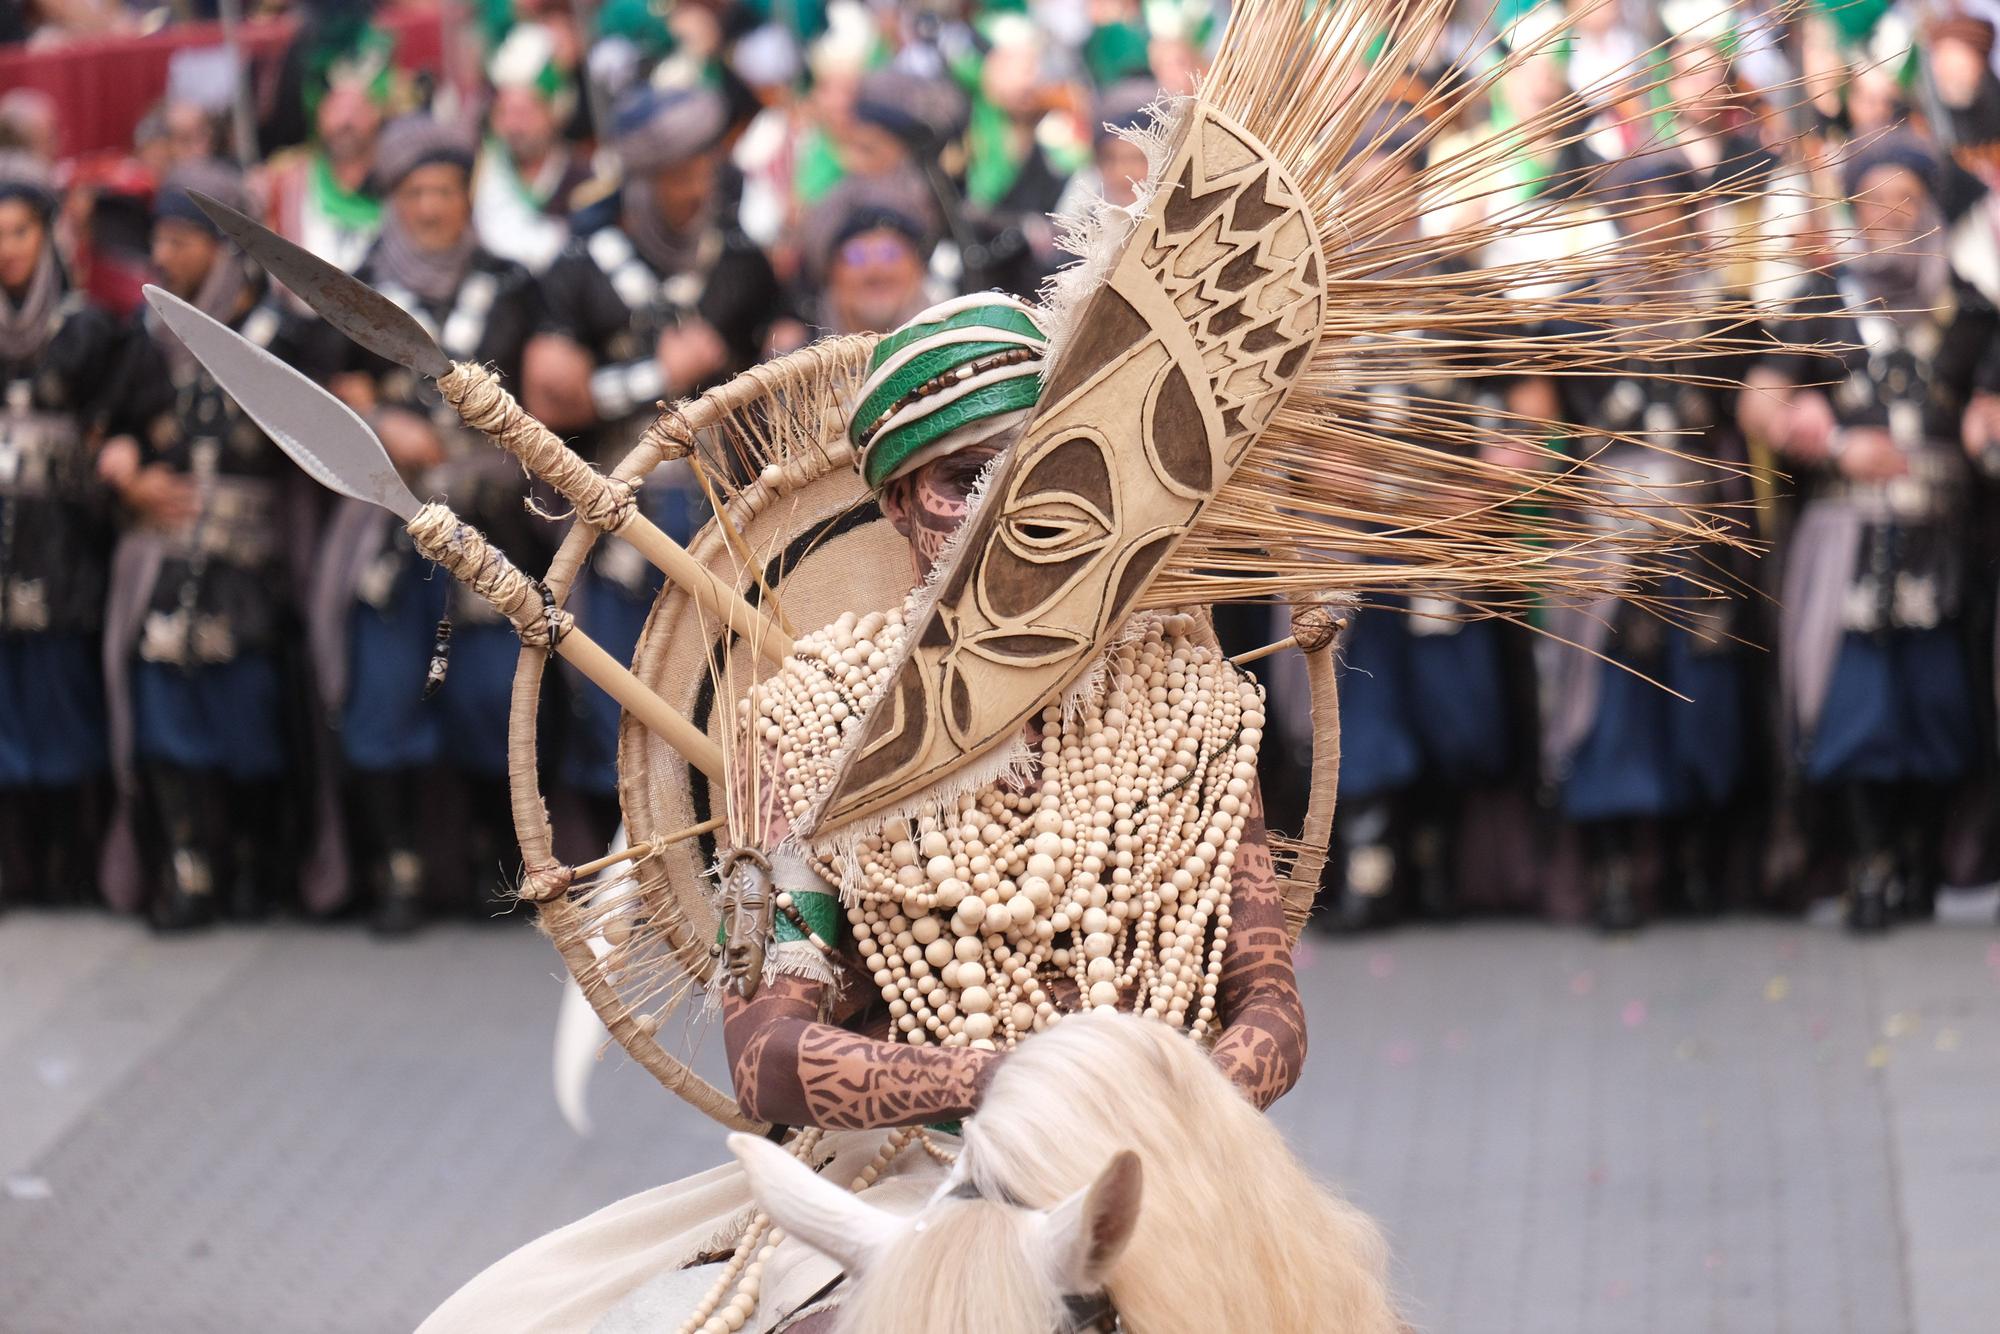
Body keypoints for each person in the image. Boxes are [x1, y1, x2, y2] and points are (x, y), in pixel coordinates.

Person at [418, 295, 1309, 1334]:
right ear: (894, 506)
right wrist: (1014, 1088)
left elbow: (1271, 1005)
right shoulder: (803, 731)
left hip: (1166, 1171)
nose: (995, 506)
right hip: (915, 1181)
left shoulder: (1184, 700)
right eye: (956, 480)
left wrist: (1166, 1099)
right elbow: (764, 1053)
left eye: (1024, 464)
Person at [522, 83, 790, 845]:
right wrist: (655, 374)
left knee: (732, 692)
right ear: (644, 178)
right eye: (676, 173)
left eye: (701, 167)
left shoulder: (741, 262)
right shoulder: (583, 266)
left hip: (728, 510)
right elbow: (550, 394)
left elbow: (789, 362)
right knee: (623, 698)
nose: (694, 186)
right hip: (620, 514)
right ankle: (638, 852)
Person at [1740, 137, 1991, 931]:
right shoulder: (1819, 300)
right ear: (1854, 211)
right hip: (1846, 538)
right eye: (1876, 202)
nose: (1893, 216)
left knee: (1938, 706)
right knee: (1855, 706)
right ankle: (1868, 859)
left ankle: (1918, 856)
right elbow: (1759, 402)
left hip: (1941, 540)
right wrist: (1826, 438)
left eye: (1907, 200)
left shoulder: (1973, 308)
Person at [312, 116, 548, 933]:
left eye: (443, 190)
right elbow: (321, 384)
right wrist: (373, 410)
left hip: (490, 521)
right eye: (413, 192)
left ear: (464, 197)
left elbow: (547, 377)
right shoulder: (353, 288)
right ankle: (400, 870)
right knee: (384, 692)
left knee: (493, 694)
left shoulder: (513, 284)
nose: (429, 207)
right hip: (395, 523)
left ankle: (500, 864)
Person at [97, 161, 326, 931]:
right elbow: (114, 423)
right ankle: (189, 872)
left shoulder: (281, 339)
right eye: (160, 237)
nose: (167, 255)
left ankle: (257, 869)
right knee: (164, 713)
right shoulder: (145, 338)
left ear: (226, 246)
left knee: (251, 721)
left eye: (185, 239)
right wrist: (124, 468)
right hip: (165, 558)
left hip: (252, 563)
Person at [1536, 154, 1754, 931]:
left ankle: (1697, 859)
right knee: (1609, 697)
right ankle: (1615, 869)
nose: (1657, 224)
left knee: (1702, 688)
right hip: (1604, 529)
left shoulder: (1725, 308)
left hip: (1700, 525)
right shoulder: (1573, 312)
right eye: (1642, 209)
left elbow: (1756, 408)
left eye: (1671, 209)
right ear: (1620, 216)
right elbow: (1539, 423)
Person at [0, 153, 122, 910]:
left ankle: (78, 861)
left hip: (68, 546)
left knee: (64, 698)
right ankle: (19, 864)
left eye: (18, 231)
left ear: (48, 235)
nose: (5, 247)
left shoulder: (90, 332)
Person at [474, 22, 592, 273]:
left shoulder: (585, 176)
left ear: (554, 113)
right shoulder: (477, 174)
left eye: (525, 113)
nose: (514, 126)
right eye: (504, 113)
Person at [260, 49, 391, 274]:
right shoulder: (287, 180)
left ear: (377, 114)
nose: (345, 121)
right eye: (336, 109)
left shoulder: (399, 179)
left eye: (356, 110)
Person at [812, 202, 931, 335]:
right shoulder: (794, 352)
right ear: (831, 274)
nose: (875, 269)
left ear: (918, 268)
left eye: (890, 253)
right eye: (856, 256)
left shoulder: (955, 345)